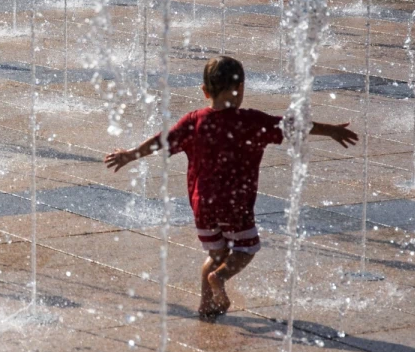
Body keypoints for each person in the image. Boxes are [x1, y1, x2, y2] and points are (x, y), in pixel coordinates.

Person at [103, 56, 358, 319]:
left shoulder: (194, 121)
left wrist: (130, 154)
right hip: (235, 204)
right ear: (241, 89)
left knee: (216, 254)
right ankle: (220, 278)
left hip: (202, 205)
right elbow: (291, 125)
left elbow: (162, 140)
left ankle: (206, 304)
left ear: (205, 91)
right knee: (246, 248)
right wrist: (330, 130)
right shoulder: (251, 121)